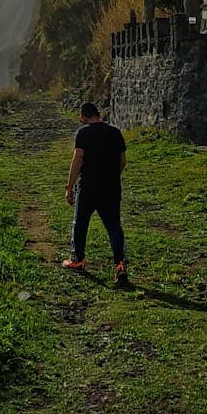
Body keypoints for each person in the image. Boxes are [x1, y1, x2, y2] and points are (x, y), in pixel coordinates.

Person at [64, 102, 130, 288]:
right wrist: (112, 175)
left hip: (88, 187)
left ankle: (78, 260)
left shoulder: (83, 133)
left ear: (83, 117)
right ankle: (120, 265)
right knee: (114, 226)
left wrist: (69, 186)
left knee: (81, 222)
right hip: (111, 187)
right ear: (98, 114)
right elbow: (122, 160)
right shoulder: (115, 132)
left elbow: (78, 159)